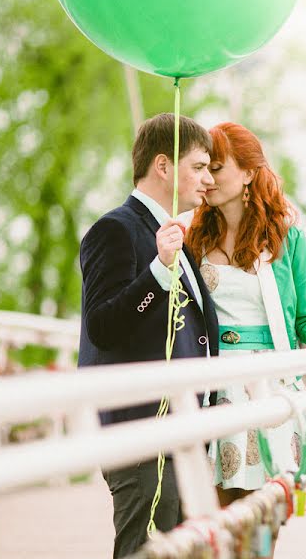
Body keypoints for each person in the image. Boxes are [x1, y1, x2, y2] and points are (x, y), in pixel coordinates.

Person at [185, 122, 306, 503]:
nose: (208, 179)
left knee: (266, 509)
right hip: (215, 379)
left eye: (216, 168)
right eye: (203, 170)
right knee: (225, 508)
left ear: (248, 172)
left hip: (270, 377)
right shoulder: (193, 236)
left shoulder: (287, 236)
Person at [78, 113, 220, 558]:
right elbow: (103, 325)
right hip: (142, 433)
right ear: (163, 166)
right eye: (198, 167)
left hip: (185, 432)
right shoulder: (115, 229)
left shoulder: (179, 240)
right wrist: (158, 271)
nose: (208, 180)